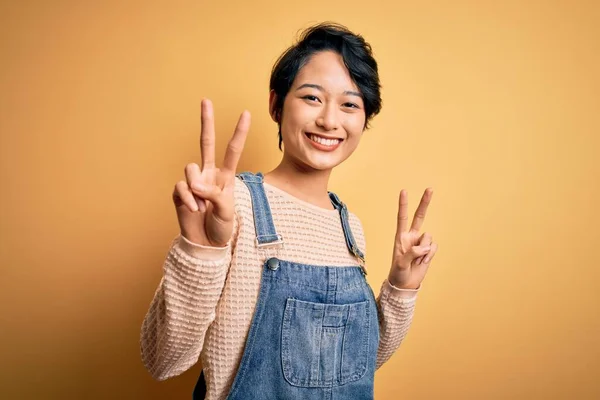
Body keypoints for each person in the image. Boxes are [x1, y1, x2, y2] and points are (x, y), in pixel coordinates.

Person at [140, 22, 438, 400]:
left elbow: (349, 365)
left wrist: (401, 287)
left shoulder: (350, 228)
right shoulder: (234, 205)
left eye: (349, 104)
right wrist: (201, 250)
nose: (330, 120)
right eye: (312, 98)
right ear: (276, 104)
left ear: (364, 120)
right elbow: (163, 360)